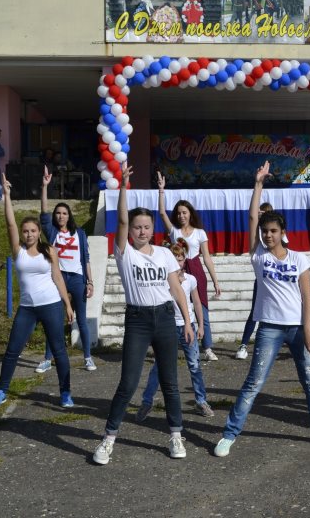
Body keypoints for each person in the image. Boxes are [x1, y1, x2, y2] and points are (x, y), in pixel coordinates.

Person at [213, 161, 310, 457]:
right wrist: (258, 184)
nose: (267, 235)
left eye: (273, 231)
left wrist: (307, 330)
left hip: (297, 329)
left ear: (283, 233)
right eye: (265, 231)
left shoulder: (300, 259)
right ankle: (230, 434)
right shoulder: (258, 258)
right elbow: (252, 216)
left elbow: (307, 297)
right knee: (254, 382)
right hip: (268, 327)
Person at [92, 163, 194, 465]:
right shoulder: (125, 252)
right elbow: (121, 220)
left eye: (146, 227)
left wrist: (187, 320)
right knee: (128, 383)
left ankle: (176, 434)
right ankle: (108, 439)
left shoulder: (164, 253)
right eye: (137, 227)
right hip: (137, 320)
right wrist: (123, 185)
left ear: (153, 229)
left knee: (171, 383)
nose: (141, 231)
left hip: (164, 318)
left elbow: (176, 287)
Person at [0, 173, 74, 409]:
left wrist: (67, 304)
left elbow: (57, 277)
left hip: (51, 306)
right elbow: (10, 223)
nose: (28, 234)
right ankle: (1, 391)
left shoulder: (49, 250)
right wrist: (6, 196)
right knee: (12, 350)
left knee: (59, 350)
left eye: (32, 231)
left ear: (38, 232)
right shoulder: (19, 252)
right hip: (27, 309)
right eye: (25, 231)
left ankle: (65, 393)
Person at [136, 240, 215, 421]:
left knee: (194, 365)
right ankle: (147, 402)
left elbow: (197, 302)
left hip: (189, 326)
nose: (178, 262)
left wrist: (201, 326)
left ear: (185, 259)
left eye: (180, 259)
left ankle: (201, 401)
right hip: (168, 327)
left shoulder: (191, 279)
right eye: (174, 258)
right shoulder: (163, 280)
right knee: (158, 366)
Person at [34, 166, 96, 374]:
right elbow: (43, 212)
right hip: (56, 279)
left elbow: (86, 259)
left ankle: (87, 357)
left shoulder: (80, 233)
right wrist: (45, 186)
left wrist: (90, 281)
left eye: (64, 213)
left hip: (77, 279)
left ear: (69, 216)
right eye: (58, 213)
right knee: (54, 320)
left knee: (81, 320)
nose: (61, 216)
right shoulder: (51, 231)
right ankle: (47, 359)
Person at [157, 172, 221, 360]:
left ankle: (207, 347)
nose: (181, 215)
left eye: (184, 212)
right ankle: (174, 344)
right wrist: (162, 191)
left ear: (190, 213)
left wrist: (215, 281)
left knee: (202, 308)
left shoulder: (200, 233)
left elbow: (207, 258)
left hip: (197, 270)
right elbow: (161, 213)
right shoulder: (174, 231)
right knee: (176, 307)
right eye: (178, 213)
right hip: (177, 271)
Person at [234, 201, 279, 359]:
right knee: (255, 312)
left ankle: (278, 343)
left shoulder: (277, 232)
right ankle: (244, 344)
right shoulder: (259, 234)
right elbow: (256, 236)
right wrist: (259, 222)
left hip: (276, 278)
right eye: (262, 214)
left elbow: (282, 243)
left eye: (267, 214)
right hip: (262, 279)